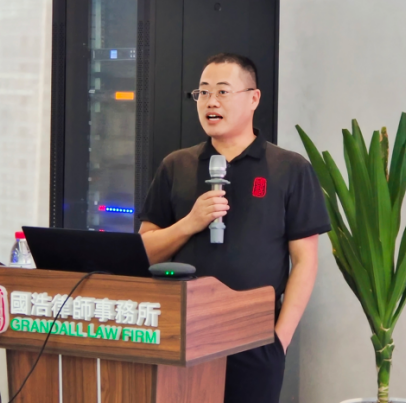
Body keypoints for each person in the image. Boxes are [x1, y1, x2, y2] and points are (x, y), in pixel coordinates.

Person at [138, 53, 331, 403]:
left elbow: (305, 261)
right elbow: (144, 252)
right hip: (180, 331)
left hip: (254, 338)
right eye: (203, 92)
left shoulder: (290, 169)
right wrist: (190, 223)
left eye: (222, 92)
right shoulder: (176, 166)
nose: (210, 102)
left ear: (253, 98)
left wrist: (279, 340)